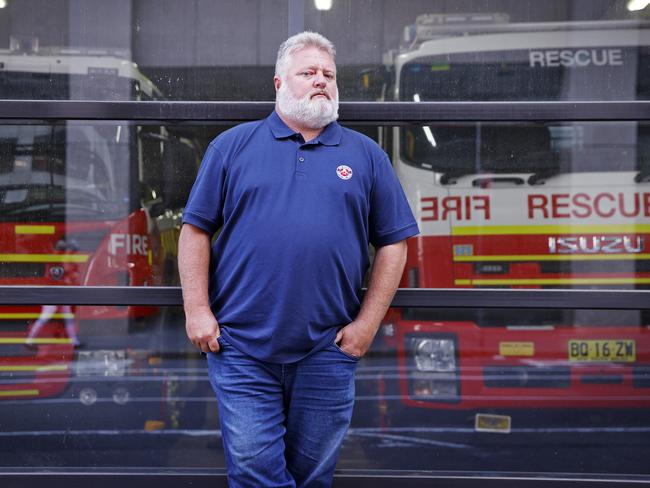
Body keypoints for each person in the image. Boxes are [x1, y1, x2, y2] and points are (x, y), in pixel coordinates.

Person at [178, 31, 418, 487]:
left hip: (327, 351)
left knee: (312, 476)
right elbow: (195, 231)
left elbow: (394, 243)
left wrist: (366, 327)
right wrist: (197, 310)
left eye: (328, 74)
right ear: (278, 82)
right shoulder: (232, 147)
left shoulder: (365, 155)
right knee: (254, 474)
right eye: (308, 72)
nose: (321, 81)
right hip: (241, 348)